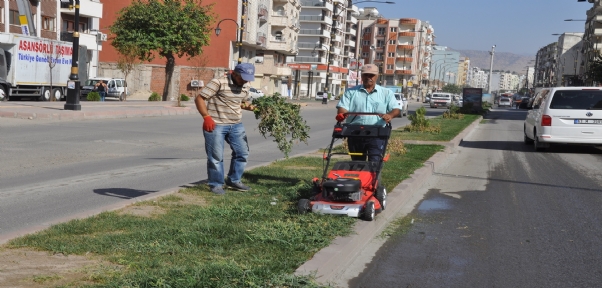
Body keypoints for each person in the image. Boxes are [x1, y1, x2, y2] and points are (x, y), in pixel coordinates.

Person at [195, 63, 256, 195]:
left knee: (242, 153)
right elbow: (199, 98)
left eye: (248, 78)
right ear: (234, 73)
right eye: (242, 78)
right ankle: (216, 184)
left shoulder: (246, 84)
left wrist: (255, 108)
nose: (245, 81)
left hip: (237, 125)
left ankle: (234, 180)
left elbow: (241, 102)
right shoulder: (219, 82)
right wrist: (206, 117)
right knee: (216, 156)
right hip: (216, 124)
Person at [335, 64, 400, 162]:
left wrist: (389, 115)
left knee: (375, 163)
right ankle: (359, 177)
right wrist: (343, 114)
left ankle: (374, 177)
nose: (368, 77)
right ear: (361, 76)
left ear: (377, 76)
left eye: (371, 75)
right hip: (355, 133)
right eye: (366, 75)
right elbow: (342, 108)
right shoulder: (351, 92)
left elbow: (396, 109)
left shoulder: (386, 93)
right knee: (357, 162)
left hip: (377, 133)